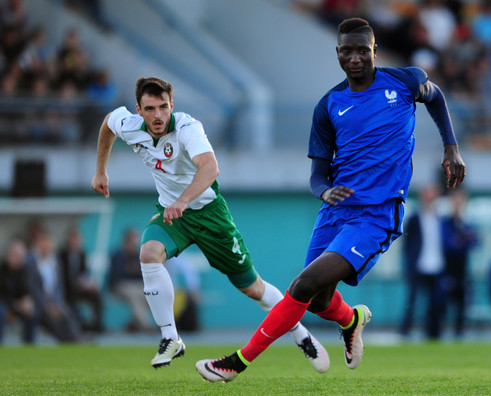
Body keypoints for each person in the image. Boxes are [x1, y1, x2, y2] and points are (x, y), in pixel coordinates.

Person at [196, 17, 465, 382]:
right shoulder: (329, 105)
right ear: (337, 53)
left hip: (376, 214)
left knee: (302, 286)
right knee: (319, 300)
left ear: (374, 51)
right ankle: (352, 319)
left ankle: (237, 362)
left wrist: (451, 147)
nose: (354, 58)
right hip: (334, 211)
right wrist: (323, 191)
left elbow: (436, 98)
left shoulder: (406, 81)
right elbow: (317, 174)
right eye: (346, 51)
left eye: (362, 50)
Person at [91, 76, 328, 371]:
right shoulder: (128, 125)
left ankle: (300, 333)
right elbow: (107, 125)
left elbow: (211, 168)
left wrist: (182, 201)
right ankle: (170, 338)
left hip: (208, 214)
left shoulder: (188, 128)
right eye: (150, 109)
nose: (158, 115)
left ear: (172, 105)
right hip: (171, 214)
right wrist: (101, 171)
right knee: (149, 254)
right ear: (138, 110)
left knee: (253, 288)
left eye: (163, 107)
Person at [398, 183, 447, 340]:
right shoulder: (414, 218)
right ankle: (405, 330)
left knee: (435, 301)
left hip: (436, 265)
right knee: (412, 300)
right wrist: (408, 265)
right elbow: (406, 244)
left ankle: (432, 332)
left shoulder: (440, 218)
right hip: (418, 265)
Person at [27, 230, 81, 343]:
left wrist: (55, 303)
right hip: (39, 304)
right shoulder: (30, 262)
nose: (47, 246)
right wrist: (46, 306)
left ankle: (75, 341)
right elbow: (33, 288)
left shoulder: (55, 262)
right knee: (52, 320)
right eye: (44, 243)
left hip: (55, 303)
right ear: (38, 244)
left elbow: (59, 286)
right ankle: (69, 343)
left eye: (49, 243)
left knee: (68, 315)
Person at [441, 188, 478, 339]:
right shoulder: (445, 222)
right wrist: (464, 239)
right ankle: (440, 334)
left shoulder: (466, 223)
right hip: (447, 270)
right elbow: (449, 244)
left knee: (462, 305)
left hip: (462, 271)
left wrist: (461, 240)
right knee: (443, 304)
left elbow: (475, 242)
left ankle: (459, 334)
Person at [106, 228, 154, 333]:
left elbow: (143, 274)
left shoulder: (138, 255)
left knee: (151, 294)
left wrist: (134, 270)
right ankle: (146, 326)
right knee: (135, 294)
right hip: (120, 286)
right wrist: (129, 270)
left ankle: (132, 324)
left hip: (136, 285)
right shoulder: (117, 255)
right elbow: (116, 275)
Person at [58, 227, 103, 333]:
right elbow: (63, 276)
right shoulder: (62, 254)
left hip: (80, 287)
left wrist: (88, 284)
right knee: (72, 297)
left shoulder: (82, 254)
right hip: (67, 288)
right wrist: (77, 283)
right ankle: (78, 325)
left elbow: (83, 273)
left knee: (96, 296)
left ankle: (96, 325)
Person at [0, 238, 38, 344]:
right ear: (8, 254)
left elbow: (29, 290)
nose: (17, 257)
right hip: (5, 305)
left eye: (20, 255)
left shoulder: (25, 271)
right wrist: (14, 305)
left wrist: (28, 301)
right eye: (15, 254)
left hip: (19, 306)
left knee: (32, 313)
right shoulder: (2, 270)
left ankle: (29, 347)